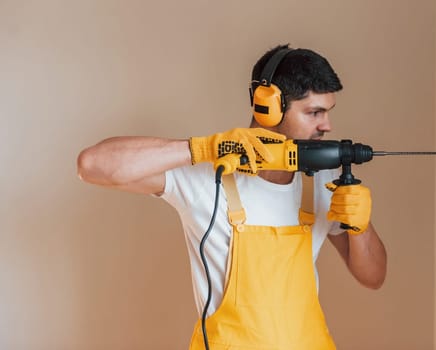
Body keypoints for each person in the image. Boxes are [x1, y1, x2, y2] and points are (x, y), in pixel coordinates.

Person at [77, 44, 387, 350]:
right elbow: (93, 166)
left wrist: (362, 227)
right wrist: (201, 149)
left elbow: (373, 277)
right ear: (268, 106)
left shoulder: (322, 180)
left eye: (328, 112)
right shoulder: (207, 175)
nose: (327, 126)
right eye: (313, 113)